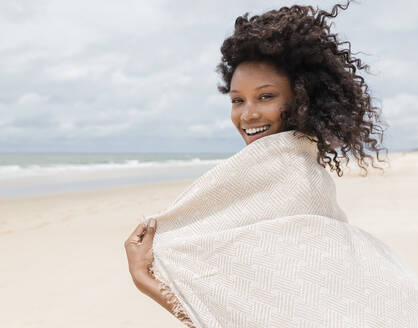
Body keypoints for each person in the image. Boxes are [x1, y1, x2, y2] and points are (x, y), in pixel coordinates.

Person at [125, 2, 388, 326]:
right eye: (237, 100)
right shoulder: (292, 172)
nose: (247, 114)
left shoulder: (294, 181)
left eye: (265, 96)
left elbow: (252, 316)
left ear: (301, 98)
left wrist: (144, 279)